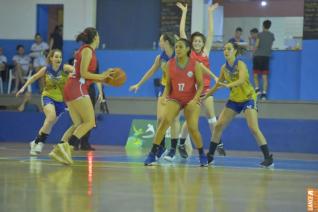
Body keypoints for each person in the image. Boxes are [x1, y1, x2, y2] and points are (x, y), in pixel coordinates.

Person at [49, 27, 114, 165]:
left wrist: (103, 79)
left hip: (73, 87)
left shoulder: (87, 50)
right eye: (99, 34)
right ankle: (66, 147)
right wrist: (102, 75)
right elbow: (83, 73)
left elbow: (87, 76)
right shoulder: (87, 50)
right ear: (95, 37)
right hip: (77, 87)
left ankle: (57, 149)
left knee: (78, 124)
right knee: (90, 122)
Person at [204, 42, 274, 168]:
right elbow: (218, 85)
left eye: (229, 49)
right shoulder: (223, 68)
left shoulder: (240, 64)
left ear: (235, 51)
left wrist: (229, 85)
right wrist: (206, 96)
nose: (226, 51)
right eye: (224, 49)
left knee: (253, 127)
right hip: (234, 100)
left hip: (248, 98)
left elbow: (241, 79)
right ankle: (210, 156)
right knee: (218, 126)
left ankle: (268, 158)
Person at [173, 2, 225, 161]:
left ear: (202, 44)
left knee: (212, 115)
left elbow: (210, 32)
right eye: (194, 41)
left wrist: (210, 13)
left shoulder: (206, 52)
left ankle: (216, 142)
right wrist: (184, 12)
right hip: (193, 92)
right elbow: (182, 32)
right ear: (191, 43)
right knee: (190, 120)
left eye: (199, 41)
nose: (196, 43)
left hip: (207, 90)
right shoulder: (189, 54)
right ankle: (181, 143)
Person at [144, 38, 208, 167]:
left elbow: (201, 85)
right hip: (175, 98)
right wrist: (164, 96)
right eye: (176, 47)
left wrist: (195, 99)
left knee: (193, 128)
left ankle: (202, 154)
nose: (177, 49)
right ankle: (152, 153)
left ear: (187, 49)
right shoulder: (169, 64)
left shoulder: (195, 64)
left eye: (180, 47)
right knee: (164, 121)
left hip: (191, 99)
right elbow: (168, 85)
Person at [129, 33, 180, 160]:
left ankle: (173, 149)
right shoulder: (160, 57)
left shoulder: (178, 55)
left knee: (173, 120)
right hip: (163, 88)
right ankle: (161, 147)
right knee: (160, 119)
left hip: (175, 90)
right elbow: (151, 71)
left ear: (167, 42)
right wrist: (138, 84)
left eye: (161, 41)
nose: (159, 43)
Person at [16, 49, 74, 155]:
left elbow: (78, 72)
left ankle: (36, 142)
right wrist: (23, 88)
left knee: (49, 124)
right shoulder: (46, 69)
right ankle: (41, 144)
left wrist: (75, 74)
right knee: (51, 117)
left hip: (61, 101)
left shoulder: (65, 68)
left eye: (60, 57)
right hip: (48, 97)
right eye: (56, 57)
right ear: (51, 58)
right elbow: (33, 77)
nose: (59, 59)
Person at [253, 20, 275, 100]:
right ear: (270, 26)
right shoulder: (272, 35)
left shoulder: (260, 34)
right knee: (264, 77)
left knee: (255, 75)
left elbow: (256, 45)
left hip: (258, 57)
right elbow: (270, 46)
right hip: (266, 57)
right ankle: (264, 95)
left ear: (263, 25)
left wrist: (253, 52)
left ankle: (257, 89)